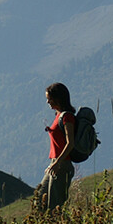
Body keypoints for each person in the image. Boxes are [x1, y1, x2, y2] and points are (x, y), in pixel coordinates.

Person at [38, 82, 76, 212]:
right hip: (55, 163)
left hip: (62, 165)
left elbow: (70, 143)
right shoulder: (58, 115)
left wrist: (58, 163)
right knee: (40, 200)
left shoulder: (67, 117)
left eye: (49, 99)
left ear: (58, 98)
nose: (48, 102)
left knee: (54, 207)